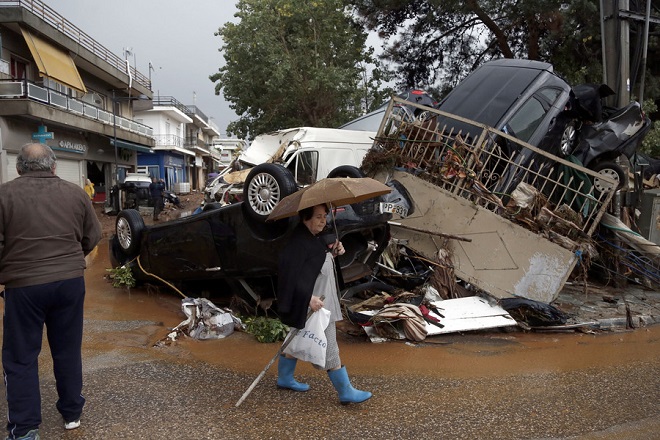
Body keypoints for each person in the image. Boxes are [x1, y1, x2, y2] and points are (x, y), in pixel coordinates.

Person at [0, 143, 102, 439]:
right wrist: (70, 260)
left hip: (24, 285)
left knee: (21, 357)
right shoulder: (75, 194)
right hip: (69, 283)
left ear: (19, 167)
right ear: (54, 166)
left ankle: (25, 428)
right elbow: (92, 236)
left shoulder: (4, 195)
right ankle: (72, 414)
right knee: (67, 349)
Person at [276, 204, 372, 405]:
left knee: (294, 340)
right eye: (318, 217)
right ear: (305, 218)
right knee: (330, 347)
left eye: (324, 216)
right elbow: (288, 276)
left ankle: (285, 378)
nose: (323, 220)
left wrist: (334, 254)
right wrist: (308, 298)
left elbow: (316, 265)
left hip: (322, 300)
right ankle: (345, 391)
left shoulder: (313, 240)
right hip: (314, 305)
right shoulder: (297, 243)